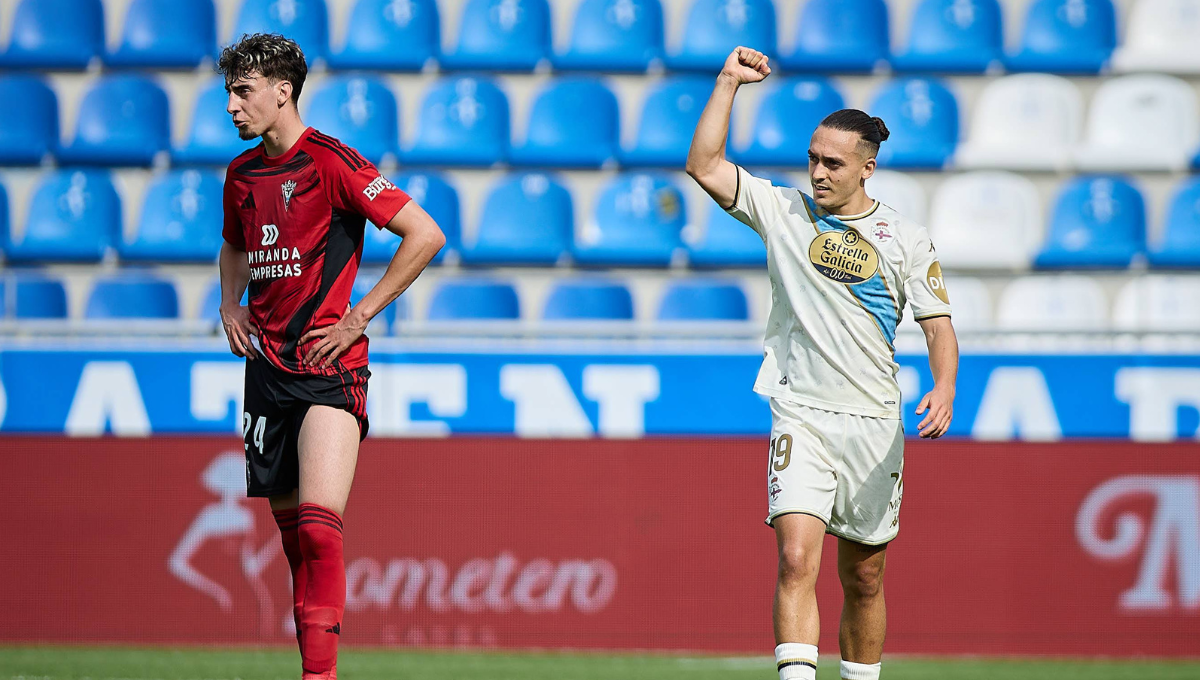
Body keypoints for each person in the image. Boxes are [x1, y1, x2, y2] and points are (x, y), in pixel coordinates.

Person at [686, 47, 959, 680]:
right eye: (812, 158)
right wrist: (728, 82)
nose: (817, 172)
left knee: (864, 575)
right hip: (800, 414)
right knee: (795, 558)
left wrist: (944, 386)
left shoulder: (906, 239)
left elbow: (938, 325)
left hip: (871, 419)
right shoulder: (782, 212)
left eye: (833, 163)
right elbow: (704, 164)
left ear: (868, 168)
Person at [216, 33, 445, 680]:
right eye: (229, 93)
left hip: (328, 365)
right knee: (295, 546)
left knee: (319, 529)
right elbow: (234, 247)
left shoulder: (333, 162)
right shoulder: (240, 176)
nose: (232, 107)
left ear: (282, 91)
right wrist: (229, 304)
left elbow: (425, 233)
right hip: (265, 372)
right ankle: (312, 665)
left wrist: (359, 316)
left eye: (243, 91)